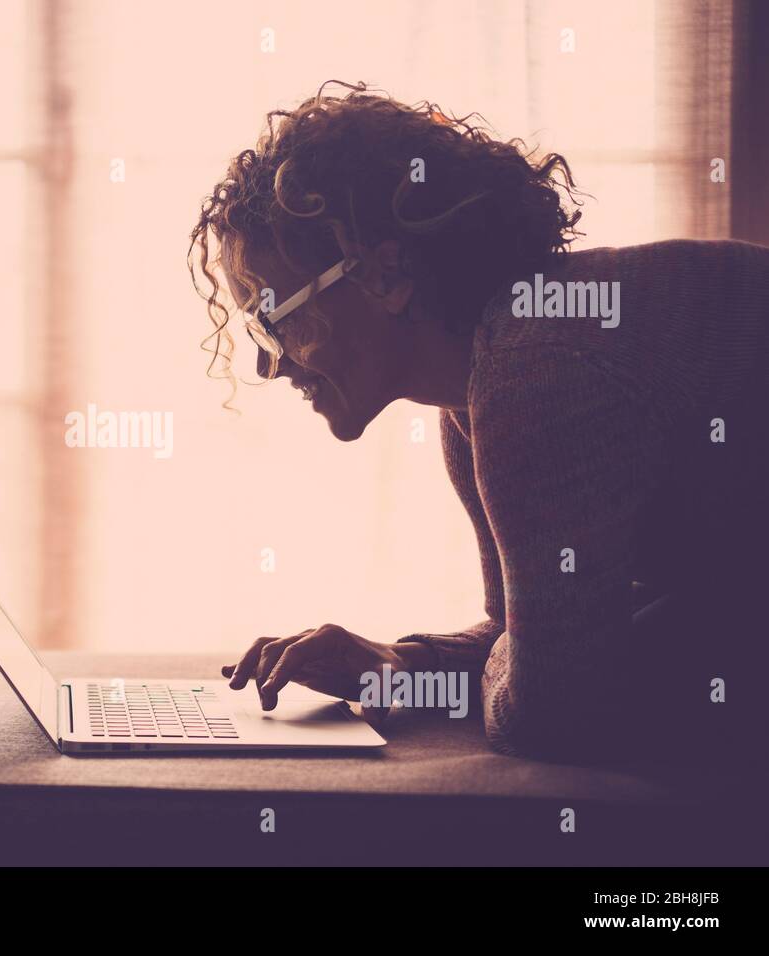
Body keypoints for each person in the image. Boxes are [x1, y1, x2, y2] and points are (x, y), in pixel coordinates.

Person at [187, 80, 769, 763]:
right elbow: (522, 639)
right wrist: (400, 667)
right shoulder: (475, 393)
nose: (269, 364)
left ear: (384, 274)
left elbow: (551, 714)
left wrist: (545, 657)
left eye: (271, 318)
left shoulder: (539, 366)